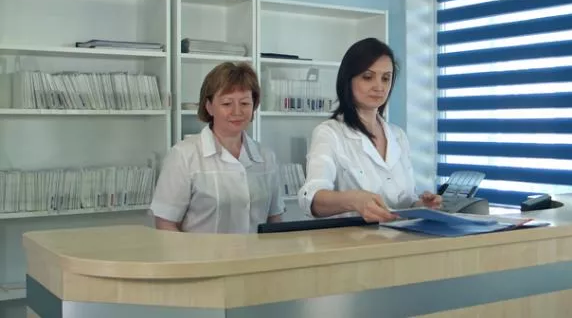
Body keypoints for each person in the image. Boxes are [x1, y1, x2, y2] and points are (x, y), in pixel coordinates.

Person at [298, 38, 442, 223]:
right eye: (368, 77)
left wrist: (421, 206)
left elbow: (403, 203)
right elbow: (311, 198)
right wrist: (353, 200)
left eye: (386, 78)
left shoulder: (398, 136)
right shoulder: (330, 133)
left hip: (401, 243)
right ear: (348, 79)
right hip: (353, 246)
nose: (379, 86)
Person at [150, 62, 285, 233]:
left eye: (244, 103)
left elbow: (275, 219)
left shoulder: (266, 157)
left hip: (256, 258)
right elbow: (165, 223)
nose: (237, 112)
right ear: (209, 106)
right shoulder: (184, 155)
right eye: (227, 104)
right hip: (201, 258)